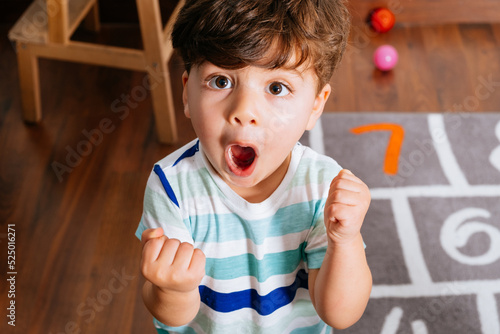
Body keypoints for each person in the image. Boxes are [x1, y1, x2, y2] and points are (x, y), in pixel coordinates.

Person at [136, 0, 372, 333]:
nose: (244, 110)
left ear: (315, 106)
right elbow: (174, 317)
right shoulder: (172, 186)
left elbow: (340, 314)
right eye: (221, 82)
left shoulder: (323, 186)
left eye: (277, 87)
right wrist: (174, 288)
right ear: (187, 93)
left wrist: (345, 240)